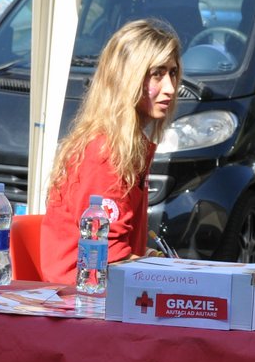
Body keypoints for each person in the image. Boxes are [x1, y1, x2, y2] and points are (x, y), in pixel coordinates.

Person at [39, 18, 180, 285]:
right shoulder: (104, 152)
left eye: (172, 73)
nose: (170, 88)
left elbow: (120, 253)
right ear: (127, 78)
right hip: (80, 304)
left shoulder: (124, 143)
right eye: (157, 74)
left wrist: (154, 256)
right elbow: (107, 263)